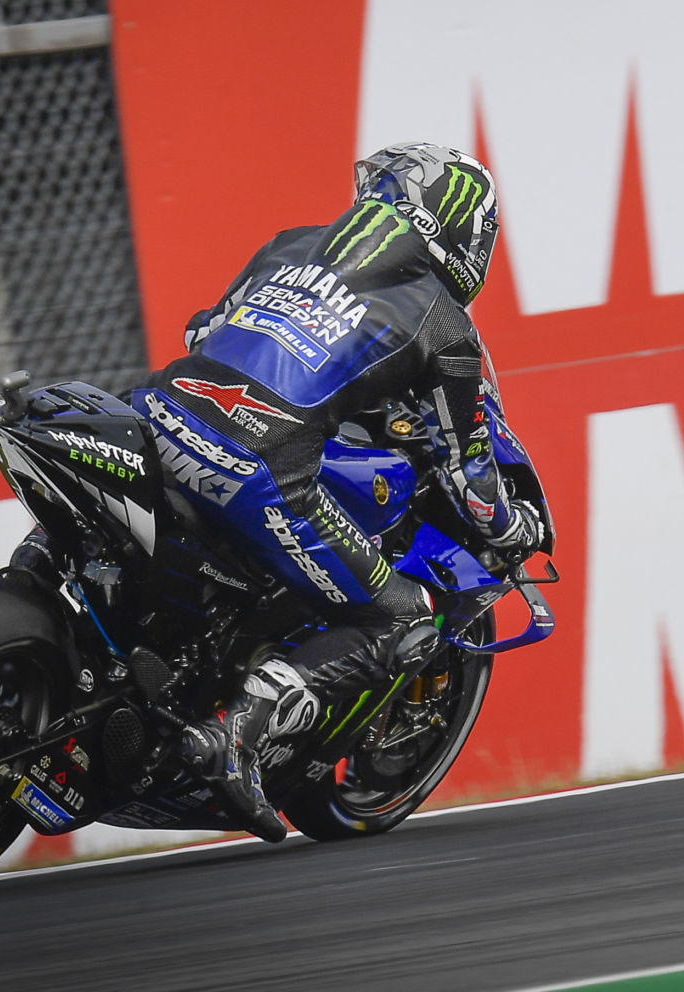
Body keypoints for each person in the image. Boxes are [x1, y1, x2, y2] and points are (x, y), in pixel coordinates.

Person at [128, 143, 543, 841]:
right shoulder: (443, 322)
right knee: (405, 617)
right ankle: (238, 732)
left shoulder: (290, 245)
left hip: (158, 412)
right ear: (457, 230)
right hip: (258, 468)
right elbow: (470, 476)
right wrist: (512, 529)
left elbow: (204, 329)